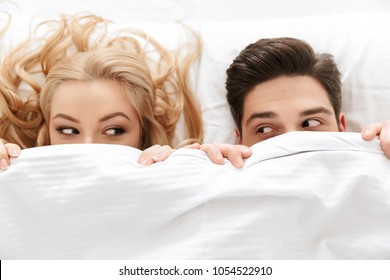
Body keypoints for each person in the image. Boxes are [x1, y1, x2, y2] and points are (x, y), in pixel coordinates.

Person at [141, 37, 390, 168]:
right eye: (266, 129)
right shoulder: (216, 174)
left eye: (311, 122)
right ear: (239, 140)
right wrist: (183, 169)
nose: (293, 144)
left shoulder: (376, 163)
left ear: (342, 127)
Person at [0, 14, 203, 169]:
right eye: (68, 131)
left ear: (143, 134)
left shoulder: (170, 170)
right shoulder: (19, 175)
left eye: (114, 130)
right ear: (49, 133)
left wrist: (181, 167)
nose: (89, 149)